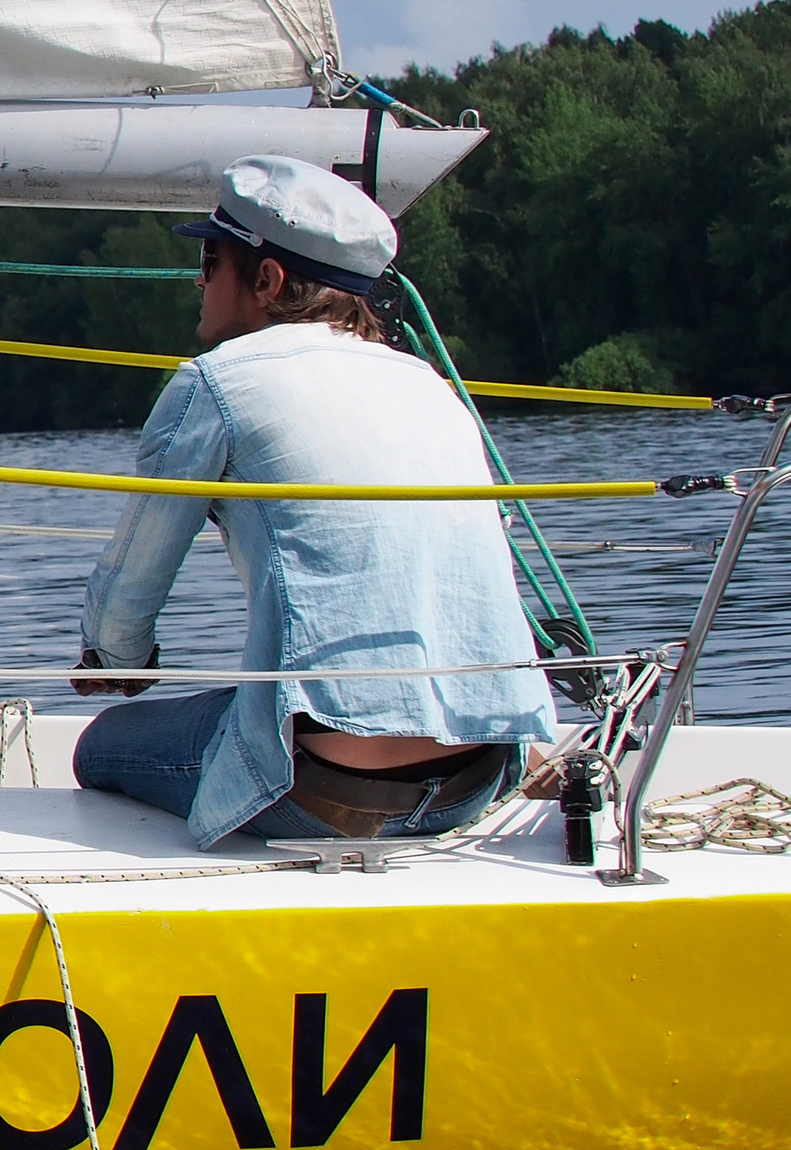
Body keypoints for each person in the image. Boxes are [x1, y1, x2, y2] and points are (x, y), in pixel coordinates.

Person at [70, 156, 557, 848]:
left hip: (322, 790)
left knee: (101, 746)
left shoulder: (216, 383)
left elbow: (133, 580)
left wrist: (115, 661)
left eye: (210, 260)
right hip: (474, 779)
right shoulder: (431, 386)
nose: (199, 281)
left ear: (266, 280)